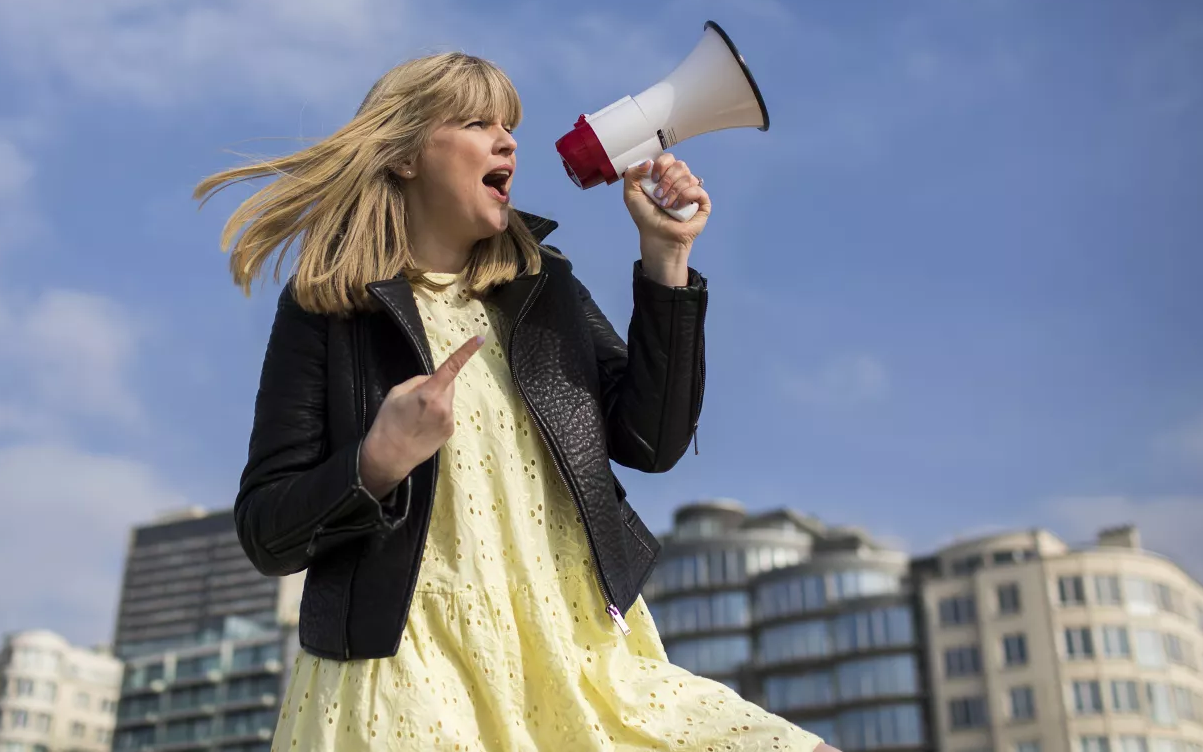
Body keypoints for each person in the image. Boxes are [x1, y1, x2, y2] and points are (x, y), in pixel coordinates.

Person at [197, 52, 835, 752]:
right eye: (478, 122)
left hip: (587, 658)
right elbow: (267, 529)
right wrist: (377, 460)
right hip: (414, 668)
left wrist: (666, 259)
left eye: (511, 126)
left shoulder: (544, 283)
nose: (509, 141)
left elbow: (652, 441)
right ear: (406, 155)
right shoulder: (331, 306)